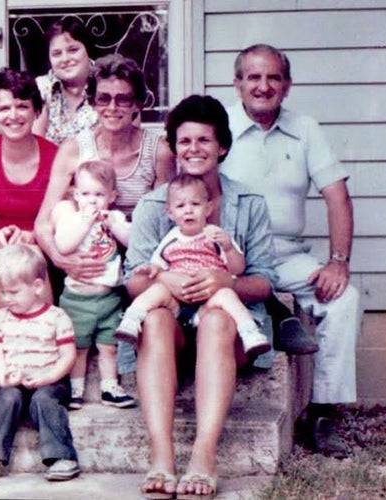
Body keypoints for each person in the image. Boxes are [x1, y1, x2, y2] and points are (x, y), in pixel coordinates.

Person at [125, 95, 276, 498]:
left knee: (217, 318)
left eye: (204, 140)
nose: (194, 149)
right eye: (185, 141)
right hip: (171, 329)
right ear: (173, 147)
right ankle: (162, 456)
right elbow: (132, 282)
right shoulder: (153, 206)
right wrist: (167, 280)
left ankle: (204, 455)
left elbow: (264, 282)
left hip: (227, 331)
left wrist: (226, 283)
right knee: (155, 317)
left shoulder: (250, 203)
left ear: (222, 146)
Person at [220, 43, 361, 457]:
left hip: (288, 255)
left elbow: (337, 195)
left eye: (273, 78)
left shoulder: (306, 129)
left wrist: (338, 262)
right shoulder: (220, 125)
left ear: (287, 85)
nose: (263, 86)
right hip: (234, 255)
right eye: (253, 77)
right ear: (238, 83)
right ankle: (279, 316)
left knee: (344, 299)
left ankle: (321, 412)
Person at [34, 53, 176, 378]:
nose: (113, 107)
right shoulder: (74, 148)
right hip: (83, 250)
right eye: (104, 98)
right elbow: (44, 220)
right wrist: (60, 258)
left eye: (123, 98)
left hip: (136, 250)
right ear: (92, 101)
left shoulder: (159, 150)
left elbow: (166, 220)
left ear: (138, 101)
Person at [0, 67, 58, 412]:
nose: (13, 115)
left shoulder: (54, 156)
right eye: (4, 108)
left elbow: (54, 220)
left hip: (40, 243)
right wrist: (2, 236)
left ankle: (41, 367)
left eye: (21, 105)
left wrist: (30, 235)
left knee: (31, 259)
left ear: (35, 109)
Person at [115, 172, 271, 359]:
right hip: (177, 305)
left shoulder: (216, 236)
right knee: (156, 291)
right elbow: (158, 265)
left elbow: (237, 269)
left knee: (227, 295)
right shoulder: (170, 239)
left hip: (208, 304)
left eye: (195, 204)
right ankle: (132, 320)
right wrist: (152, 270)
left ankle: (250, 333)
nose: (188, 210)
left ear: (208, 208)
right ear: (170, 213)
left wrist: (229, 248)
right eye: (180, 206)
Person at [0, 244, 80, 482]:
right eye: (2, 292)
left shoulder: (56, 317)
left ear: (37, 287)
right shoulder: (0, 318)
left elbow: (68, 356)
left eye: (13, 292)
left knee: (44, 400)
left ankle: (62, 457)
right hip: (14, 379)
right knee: (7, 398)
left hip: (50, 379)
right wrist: (3, 377)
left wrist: (48, 377)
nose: (6, 298)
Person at [53, 161, 135, 409]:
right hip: (78, 297)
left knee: (108, 346)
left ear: (112, 197)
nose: (92, 200)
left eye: (99, 195)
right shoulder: (73, 218)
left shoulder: (115, 217)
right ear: (76, 195)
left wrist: (114, 224)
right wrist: (85, 222)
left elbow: (132, 241)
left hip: (109, 296)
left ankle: (110, 387)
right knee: (79, 347)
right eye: (86, 194)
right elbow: (64, 245)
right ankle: (75, 389)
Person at [32, 17, 98, 145]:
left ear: (88, 51)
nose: (65, 59)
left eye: (73, 50)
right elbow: (35, 146)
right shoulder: (41, 88)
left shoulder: (107, 84)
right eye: (57, 54)